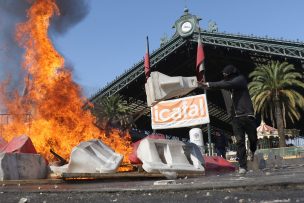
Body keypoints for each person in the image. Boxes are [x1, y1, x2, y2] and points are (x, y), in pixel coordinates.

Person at [199, 64, 257, 174]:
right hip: (235, 117)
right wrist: (205, 85)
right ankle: (242, 166)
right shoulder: (226, 85)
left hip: (247, 114)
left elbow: (226, 83)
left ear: (232, 74)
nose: (224, 77)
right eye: (223, 75)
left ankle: (253, 150)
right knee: (239, 141)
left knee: (253, 138)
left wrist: (208, 84)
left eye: (226, 75)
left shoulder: (240, 80)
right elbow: (220, 85)